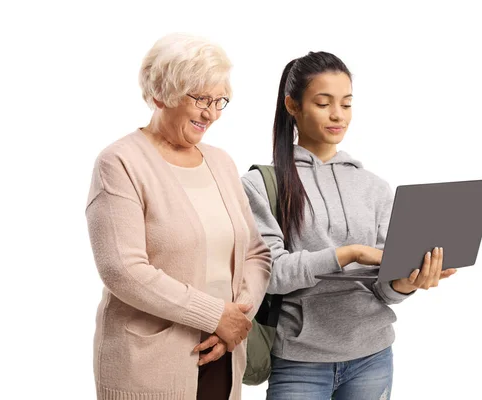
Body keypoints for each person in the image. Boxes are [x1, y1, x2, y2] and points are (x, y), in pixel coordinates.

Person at [241, 51, 456, 400]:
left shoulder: (374, 187)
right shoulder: (261, 185)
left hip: (373, 357)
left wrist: (405, 282)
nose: (338, 115)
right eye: (323, 103)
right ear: (292, 106)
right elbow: (272, 275)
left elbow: (384, 289)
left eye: (346, 103)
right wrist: (348, 253)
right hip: (300, 362)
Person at [85, 33, 271, 400]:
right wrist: (213, 315)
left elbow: (256, 253)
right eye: (201, 98)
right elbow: (123, 269)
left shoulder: (221, 162)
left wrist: (236, 319)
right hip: (150, 362)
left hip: (223, 350)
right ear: (160, 94)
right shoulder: (120, 162)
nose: (212, 113)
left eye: (220, 100)